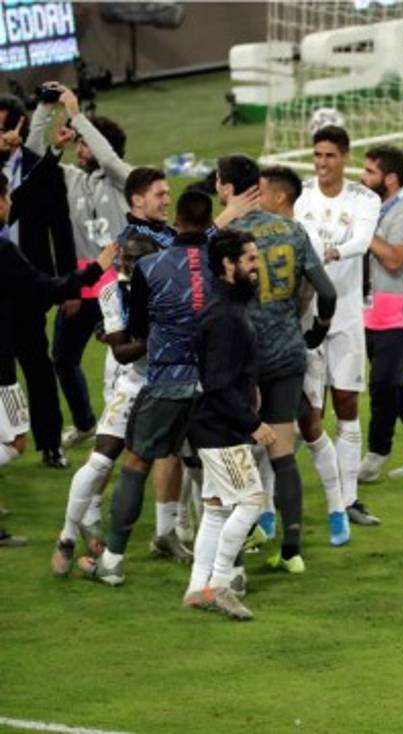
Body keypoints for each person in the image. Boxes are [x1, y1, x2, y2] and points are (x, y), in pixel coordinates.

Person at [78, 191, 217, 586]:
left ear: (177, 220)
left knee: (136, 464)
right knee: (209, 469)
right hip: (212, 385)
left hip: (167, 383)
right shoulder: (221, 262)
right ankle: (223, 568)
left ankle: (113, 563)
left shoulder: (151, 266)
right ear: (209, 221)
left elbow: (138, 330)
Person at [215, 154, 343, 573]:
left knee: (234, 454)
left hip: (241, 359)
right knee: (284, 455)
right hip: (288, 353)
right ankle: (292, 550)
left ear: (230, 187)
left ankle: (229, 550)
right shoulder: (293, 230)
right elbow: (326, 293)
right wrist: (318, 332)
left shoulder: (226, 235)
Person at [0, 172, 115, 543]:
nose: (10, 205)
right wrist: (95, 270)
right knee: (13, 441)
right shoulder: (2, 251)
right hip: (1, 366)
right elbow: (42, 287)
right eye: (6, 198)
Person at [28, 84, 133, 449]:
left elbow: (107, 160)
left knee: (126, 358)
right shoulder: (69, 179)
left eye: (85, 142)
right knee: (63, 358)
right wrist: (44, 111)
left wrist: (78, 115)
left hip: (120, 285)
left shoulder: (125, 178)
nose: (80, 146)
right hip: (81, 283)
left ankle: (131, 423)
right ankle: (87, 422)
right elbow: (35, 155)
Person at [51, 234, 158, 575]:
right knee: (100, 460)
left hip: (175, 381)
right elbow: (121, 351)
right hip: (134, 381)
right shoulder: (112, 293)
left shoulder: (166, 285)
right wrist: (162, 336)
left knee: (197, 460)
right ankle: (68, 535)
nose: (127, 268)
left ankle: (184, 532)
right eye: (124, 261)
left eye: (134, 262)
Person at [181, 229, 275, 620]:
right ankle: (219, 584)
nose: (258, 266)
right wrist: (254, 424)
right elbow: (218, 383)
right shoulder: (224, 318)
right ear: (227, 264)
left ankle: (195, 588)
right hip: (221, 428)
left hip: (212, 425)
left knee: (218, 509)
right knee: (252, 501)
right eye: (250, 259)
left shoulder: (229, 308)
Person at [292, 125, 381, 526]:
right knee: (308, 411)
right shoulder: (302, 196)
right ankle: (289, 496)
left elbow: (362, 243)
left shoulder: (365, 198)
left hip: (345, 315)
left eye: (329, 155)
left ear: (345, 157)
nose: (322, 163)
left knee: (346, 404)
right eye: (317, 155)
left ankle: (350, 499)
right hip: (307, 313)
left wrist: (326, 253)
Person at [259, 164, 349, 560]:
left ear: (280, 197)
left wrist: (314, 328)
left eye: (261, 191)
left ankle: (336, 508)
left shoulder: (298, 235)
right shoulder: (273, 234)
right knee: (268, 433)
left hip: (298, 343)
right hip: (286, 346)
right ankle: (265, 515)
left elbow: (315, 291)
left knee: (310, 424)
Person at [0, 93, 76, 468]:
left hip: (27, 283)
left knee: (37, 364)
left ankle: (50, 443)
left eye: (3, 126)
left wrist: (68, 283)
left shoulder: (42, 170)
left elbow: (59, 229)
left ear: (20, 126)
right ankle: (7, 441)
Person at [355, 144, 403, 483]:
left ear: (391, 178)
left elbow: (397, 259)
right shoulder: (375, 207)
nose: (362, 176)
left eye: (370, 171)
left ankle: (377, 452)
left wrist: (362, 231)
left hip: (399, 313)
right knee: (398, 387)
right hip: (369, 310)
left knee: (384, 384)